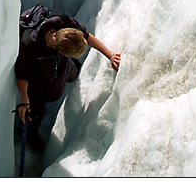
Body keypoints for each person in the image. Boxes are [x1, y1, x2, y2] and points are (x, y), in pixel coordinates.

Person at [14, 10, 121, 151]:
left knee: (71, 72)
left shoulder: (63, 22)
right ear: (60, 52)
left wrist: (110, 55)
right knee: (37, 111)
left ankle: (71, 71)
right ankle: (30, 134)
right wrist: (24, 101)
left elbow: (87, 36)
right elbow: (23, 75)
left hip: (62, 68)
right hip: (40, 82)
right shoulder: (30, 45)